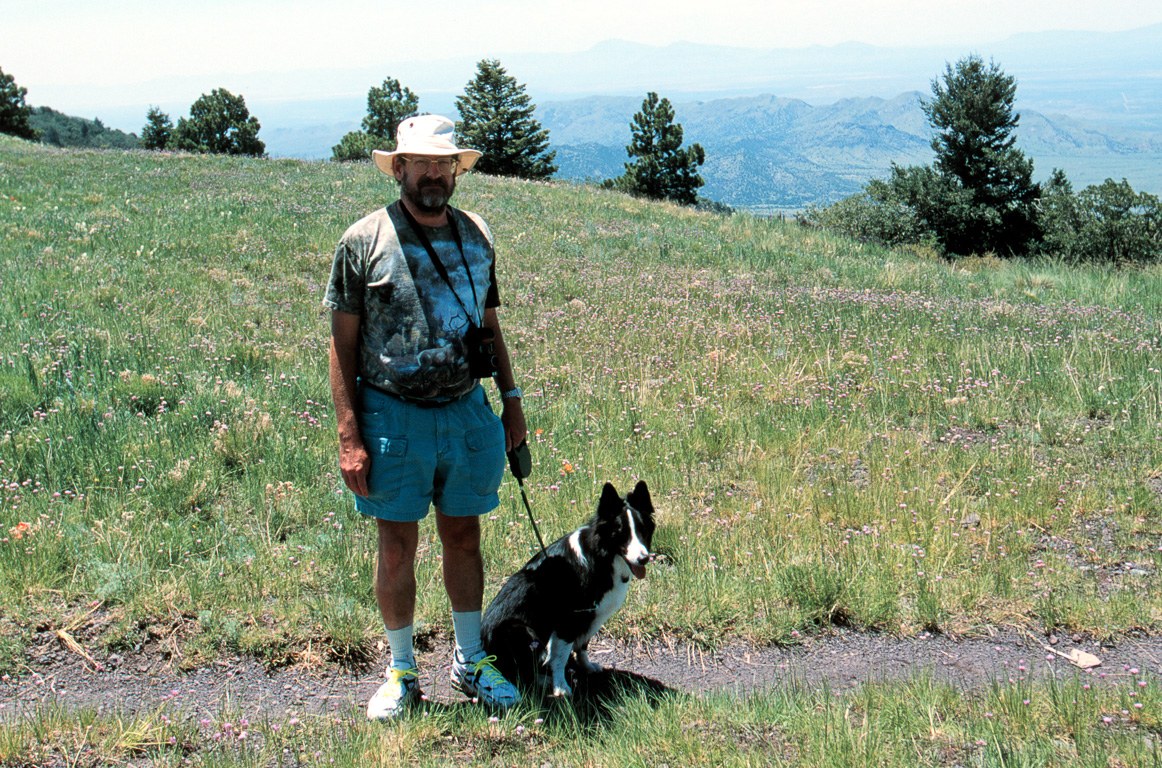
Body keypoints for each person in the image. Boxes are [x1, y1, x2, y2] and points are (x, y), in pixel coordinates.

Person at [324, 115, 527, 720]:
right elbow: (340, 344)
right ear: (401, 168)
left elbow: (490, 327)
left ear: (455, 171)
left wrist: (512, 402)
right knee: (397, 544)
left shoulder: (476, 235)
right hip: (393, 415)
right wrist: (349, 434)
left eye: (445, 164)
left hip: (466, 412)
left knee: (465, 536)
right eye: (422, 163)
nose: (434, 174)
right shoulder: (364, 241)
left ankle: (470, 663)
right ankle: (402, 672)